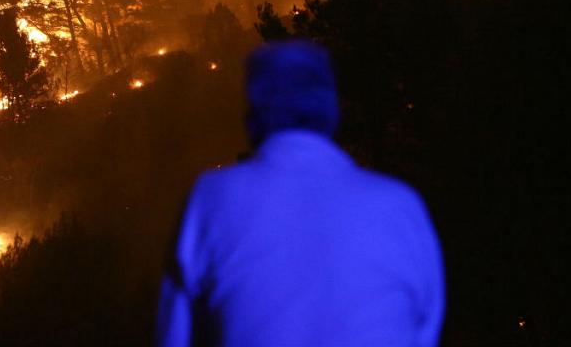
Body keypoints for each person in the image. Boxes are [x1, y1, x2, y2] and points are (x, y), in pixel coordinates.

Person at [157, 41, 445, 346]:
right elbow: (425, 328)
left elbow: (174, 335)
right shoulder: (401, 206)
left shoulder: (212, 199)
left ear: (252, 117)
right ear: (332, 112)